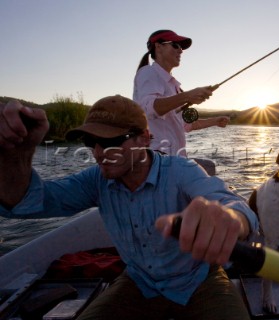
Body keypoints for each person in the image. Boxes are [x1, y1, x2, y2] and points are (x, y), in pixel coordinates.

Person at [0, 95, 258, 320]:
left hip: (199, 281)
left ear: (144, 138)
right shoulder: (96, 180)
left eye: (112, 141)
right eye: (91, 142)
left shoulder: (182, 170)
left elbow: (227, 201)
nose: (100, 153)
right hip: (139, 281)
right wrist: (18, 154)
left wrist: (230, 219)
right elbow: (26, 203)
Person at [133, 29, 230, 158]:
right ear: (158, 46)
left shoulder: (173, 85)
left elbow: (185, 124)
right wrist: (188, 95)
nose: (180, 50)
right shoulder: (148, 72)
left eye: (181, 47)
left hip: (175, 158)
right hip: (158, 157)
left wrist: (215, 121)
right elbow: (149, 109)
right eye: (175, 45)